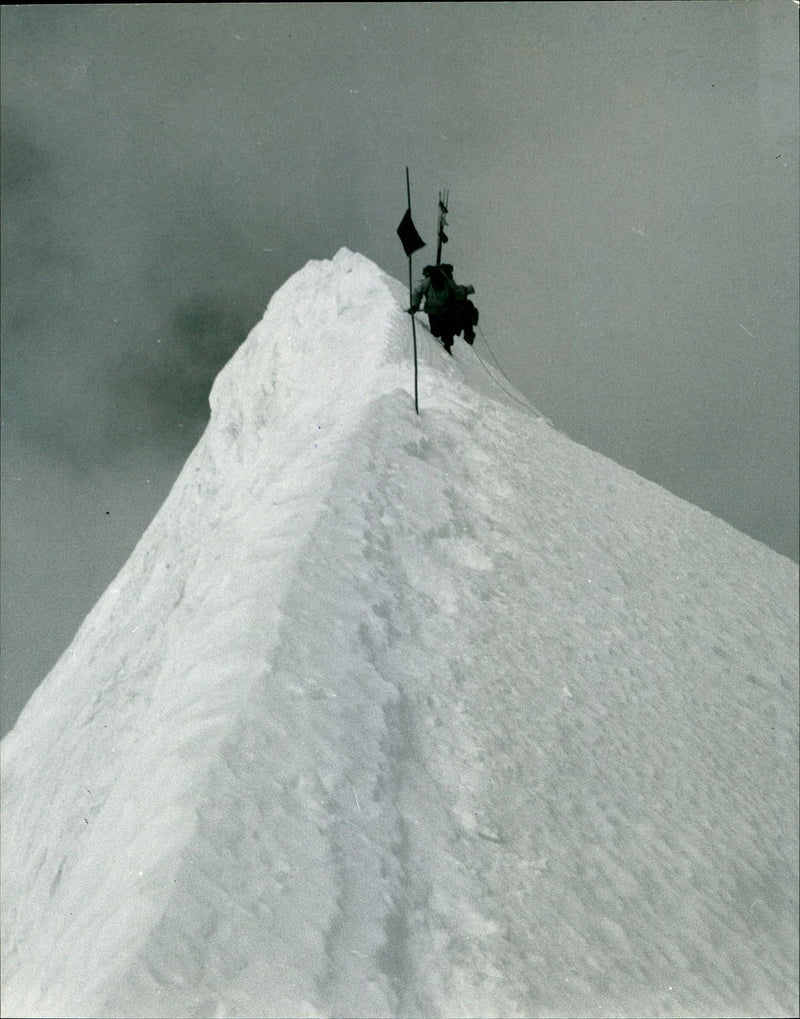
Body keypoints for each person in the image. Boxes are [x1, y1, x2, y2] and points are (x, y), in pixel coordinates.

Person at [408, 264, 478, 353]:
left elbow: (457, 292)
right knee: (436, 332)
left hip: (444, 310)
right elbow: (417, 292)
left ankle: (447, 345)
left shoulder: (444, 281)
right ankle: (447, 343)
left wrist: (415, 306)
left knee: (447, 329)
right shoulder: (430, 282)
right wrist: (414, 305)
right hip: (434, 310)